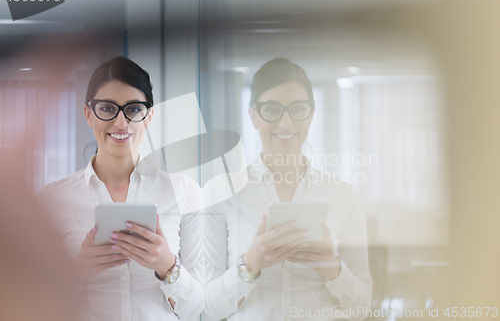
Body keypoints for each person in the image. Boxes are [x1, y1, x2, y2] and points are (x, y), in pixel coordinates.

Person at [203, 57, 372, 321]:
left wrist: (332, 268)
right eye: (272, 110)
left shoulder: (343, 195)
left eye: (298, 109)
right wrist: (249, 264)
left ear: (311, 114)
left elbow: (362, 307)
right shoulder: (221, 192)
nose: (285, 123)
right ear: (253, 116)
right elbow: (208, 309)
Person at [37, 56, 203, 321]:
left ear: (149, 117)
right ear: (88, 114)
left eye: (134, 109)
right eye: (107, 108)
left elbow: (197, 309)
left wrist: (167, 266)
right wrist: (78, 270)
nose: (120, 123)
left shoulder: (184, 192)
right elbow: (33, 303)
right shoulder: (54, 198)